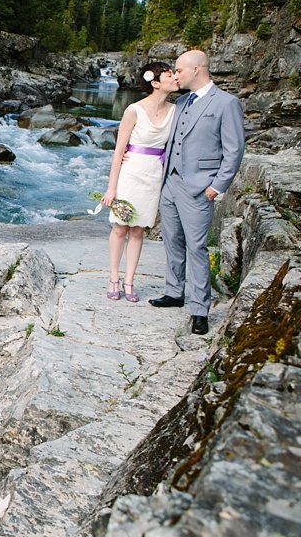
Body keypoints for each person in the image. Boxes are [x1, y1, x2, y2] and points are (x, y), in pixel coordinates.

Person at [148, 50, 245, 335]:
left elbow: (234, 149)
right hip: (171, 184)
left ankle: (200, 309)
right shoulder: (180, 101)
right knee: (172, 241)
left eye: (178, 70)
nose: (175, 75)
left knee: (197, 249)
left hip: (200, 188)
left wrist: (217, 187)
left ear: (196, 69)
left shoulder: (227, 103)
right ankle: (174, 292)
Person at [101, 62, 179, 303]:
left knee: (138, 229)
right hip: (131, 172)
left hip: (154, 174)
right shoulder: (133, 110)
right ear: (155, 83)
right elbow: (118, 150)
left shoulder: (176, 110)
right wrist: (111, 187)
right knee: (121, 227)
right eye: (169, 75)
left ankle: (129, 280)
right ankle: (114, 277)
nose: (175, 77)